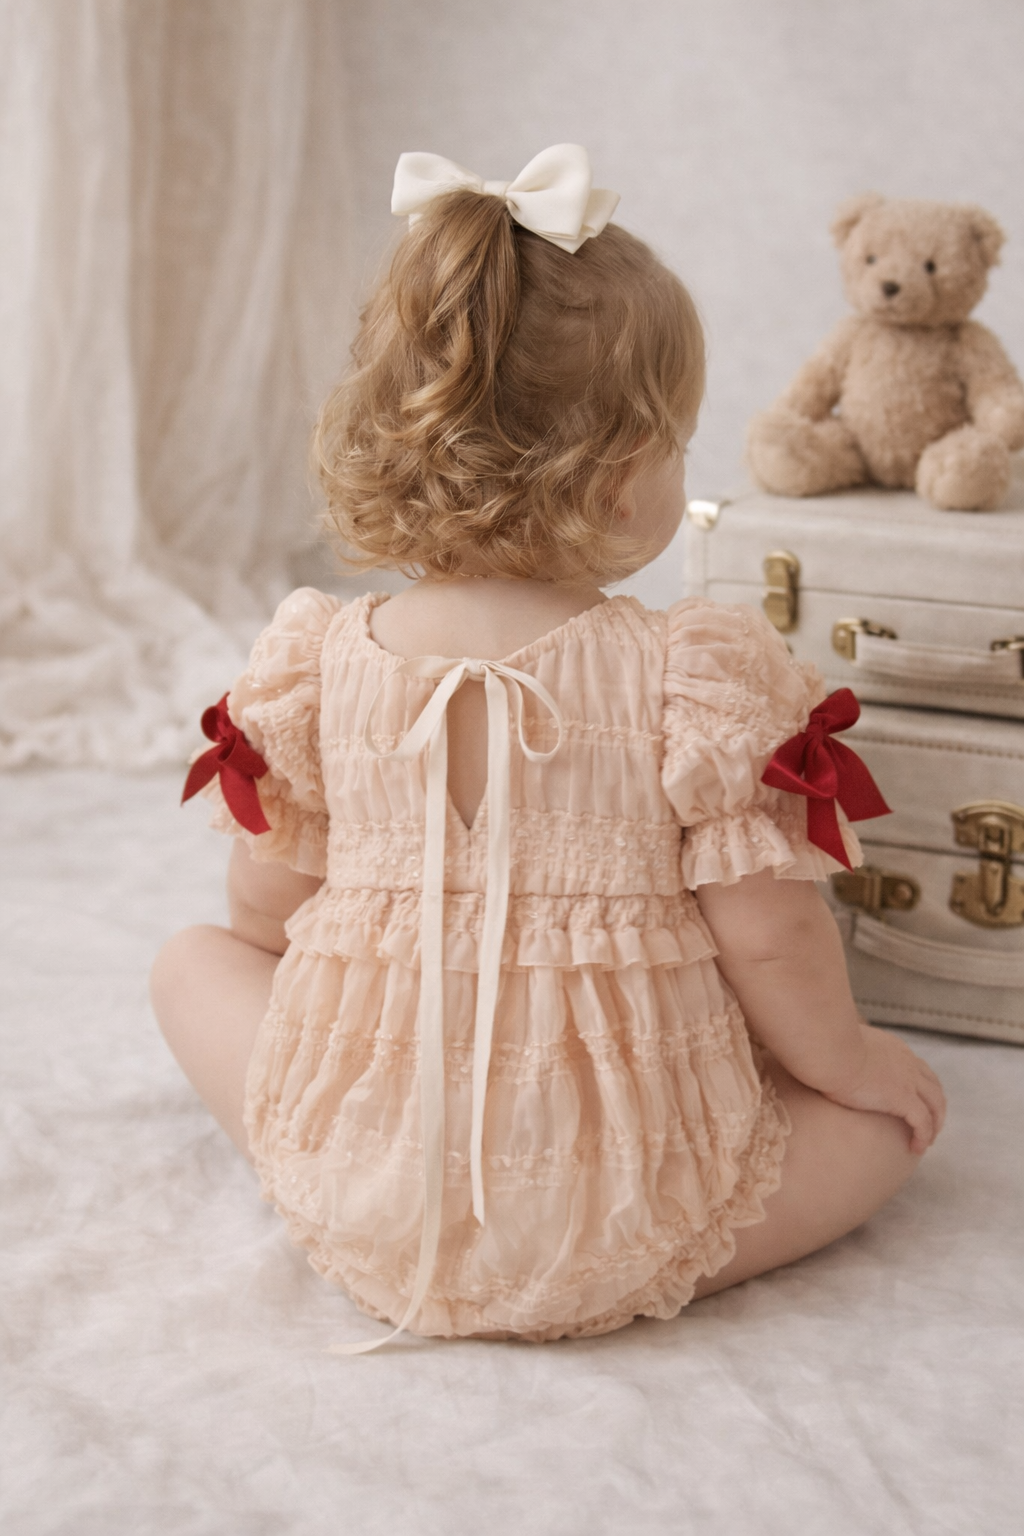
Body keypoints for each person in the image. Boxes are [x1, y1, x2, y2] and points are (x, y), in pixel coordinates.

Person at [151, 146, 945, 1348]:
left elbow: (264, 909)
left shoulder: (317, 663)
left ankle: (365, 1169)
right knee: (890, 1126)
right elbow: (767, 931)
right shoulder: (686, 672)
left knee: (189, 961)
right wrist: (846, 1063)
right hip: (620, 1210)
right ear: (625, 475)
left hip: (374, 1194)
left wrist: (348, 1002)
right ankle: (671, 1176)